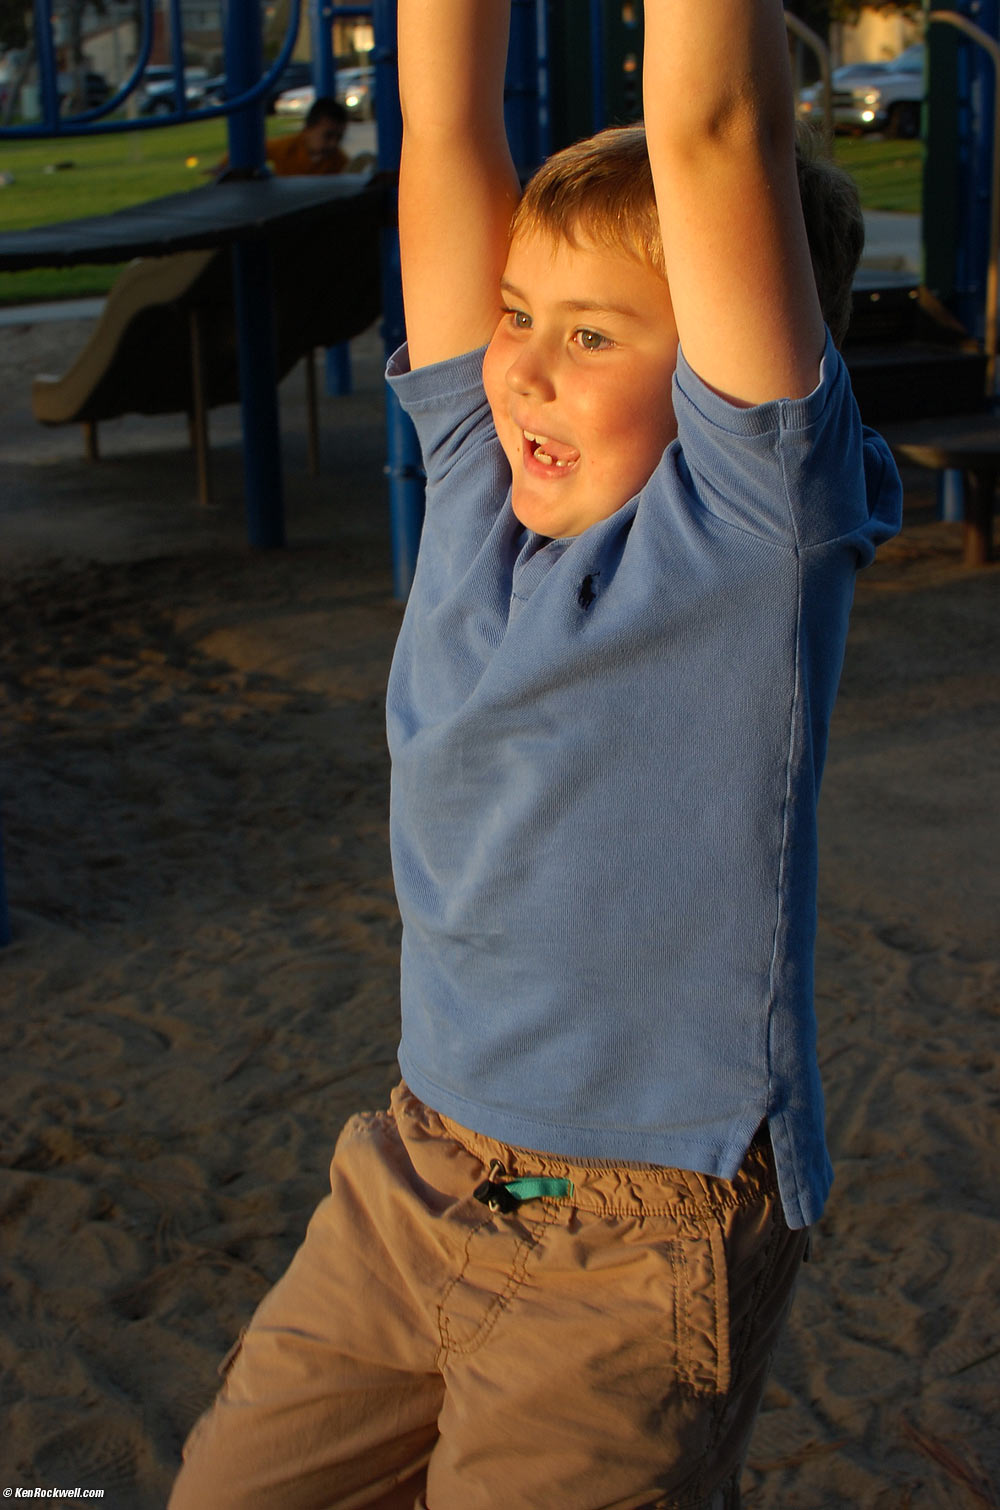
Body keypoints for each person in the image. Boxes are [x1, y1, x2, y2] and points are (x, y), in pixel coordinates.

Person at [170, 2, 902, 1505]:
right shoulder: (470, 483)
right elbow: (441, 135)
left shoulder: (746, 534)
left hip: (643, 1226)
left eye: (594, 333)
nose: (526, 369)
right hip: (412, 1174)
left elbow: (714, 135)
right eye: (517, 314)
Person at [214, 96, 350, 179]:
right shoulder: (287, 147)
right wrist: (223, 167)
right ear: (307, 130)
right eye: (328, 136)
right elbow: (248, 150)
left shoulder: (339, 161)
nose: (333, 144)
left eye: (339, 138)